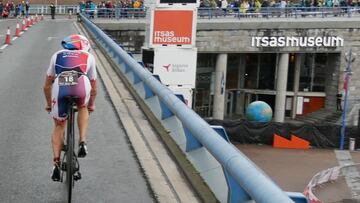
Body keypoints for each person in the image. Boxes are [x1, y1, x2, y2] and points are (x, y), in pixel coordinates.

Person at [43, 35, 97, 181]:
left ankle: (56, 163)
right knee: (83, 107)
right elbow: (93, 88)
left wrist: (49, 103)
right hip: (81, 83)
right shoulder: (88, 56)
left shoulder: (57, 55)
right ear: (84, 46)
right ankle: (82, 142)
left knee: (59, 125)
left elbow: (47, 86)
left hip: (60, 86)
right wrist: (91, 104)